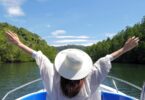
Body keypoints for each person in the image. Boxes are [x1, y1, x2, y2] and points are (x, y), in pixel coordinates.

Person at [5, 30, 139, 100]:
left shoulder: (51, 76)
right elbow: (107, 59)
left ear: (62, 65)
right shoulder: (92, 78)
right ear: (82, 69)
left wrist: (19, 43)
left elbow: (38, 56)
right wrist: (125, 49)